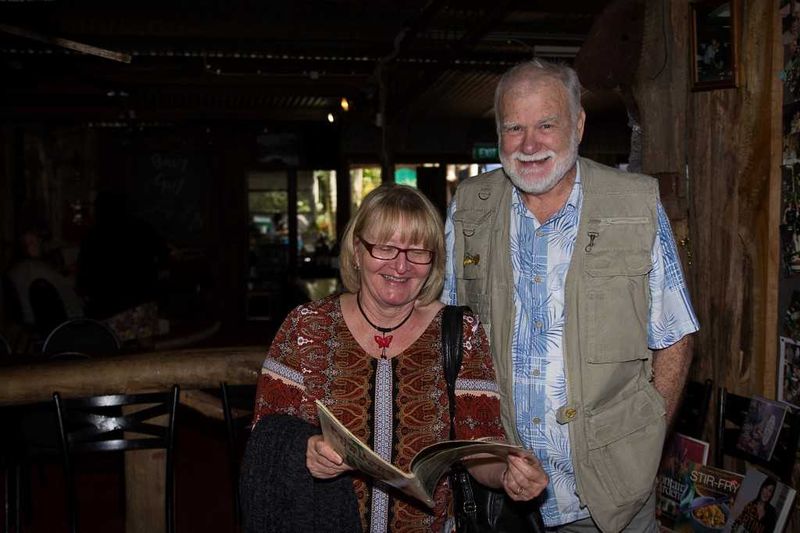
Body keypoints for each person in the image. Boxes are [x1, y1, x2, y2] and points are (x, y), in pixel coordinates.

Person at [442, 58, 700, 532]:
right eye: (514, 127)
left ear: (578, 125)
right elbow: (451, 343)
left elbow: (675, 334)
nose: (529, 145)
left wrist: (645, 440)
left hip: (611, 503)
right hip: (503, 500)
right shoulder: (468, 209)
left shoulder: (635, 204)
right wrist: (483, 455)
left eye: (546, 124)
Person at [240, 183, 547, 532]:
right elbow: (266, 435)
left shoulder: (461, 332)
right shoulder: (306, 325)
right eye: (385, 248)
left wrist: (508, 473)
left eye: (418, 252)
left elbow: (480, 445)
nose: (401, 266)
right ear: (357, 251)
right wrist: (306, 449)